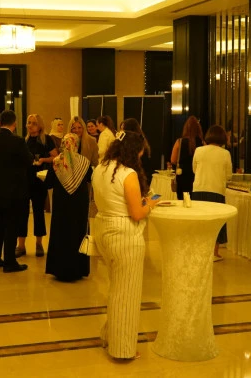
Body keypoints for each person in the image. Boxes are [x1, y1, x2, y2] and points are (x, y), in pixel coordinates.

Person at [92, 131, 159, 360]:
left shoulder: (100, 168)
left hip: (104, 230)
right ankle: (122, 350)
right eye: (140, 153)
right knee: (127, 296)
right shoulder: (127, 173)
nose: (141, 157)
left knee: (116, 290)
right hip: (124, 237)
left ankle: (110, 335)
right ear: (133, 151)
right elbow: (137, 213)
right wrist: (151, 203)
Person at [0, 110, 32, 273]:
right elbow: (28, 160)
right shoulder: (18, 141)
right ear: (14, 123)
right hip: (14, 189)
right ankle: (9, 261)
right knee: (11, 225)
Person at [45, 133, 92, 282]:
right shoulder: (84, 162)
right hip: (79, 203)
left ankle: (60, 268)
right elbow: (90, 178)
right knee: (78, 232)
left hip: (61, 203)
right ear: (76, 145)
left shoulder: (57, 162)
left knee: (61, 232)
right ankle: (79, 269)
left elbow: (48, 183)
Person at [17, 114, 58, 258]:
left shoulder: (46, 139)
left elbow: (55, 157)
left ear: (40, 125)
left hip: (39, 179)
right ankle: (21, 245)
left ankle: (39, 243)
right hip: (25, 180)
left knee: (38, 212)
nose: (30, 125)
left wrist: (43, 160)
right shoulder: (24, 141)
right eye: (29, 123)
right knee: (22, 212)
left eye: (34, 123)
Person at [192, 125, 233, 261]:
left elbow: (194, 169)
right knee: (216, 222)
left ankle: (199, 250)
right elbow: (228, 175)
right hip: (216, 191)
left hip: (199, 190)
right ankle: (214, 253)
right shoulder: (225, 153)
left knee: (200, 221)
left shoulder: (198, 150)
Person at [171, 115, 204, 200]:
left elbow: (173, 160)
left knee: (181, 201)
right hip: (196, 177)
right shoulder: (202, 143)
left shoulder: (179, 142)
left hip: (182, 176)